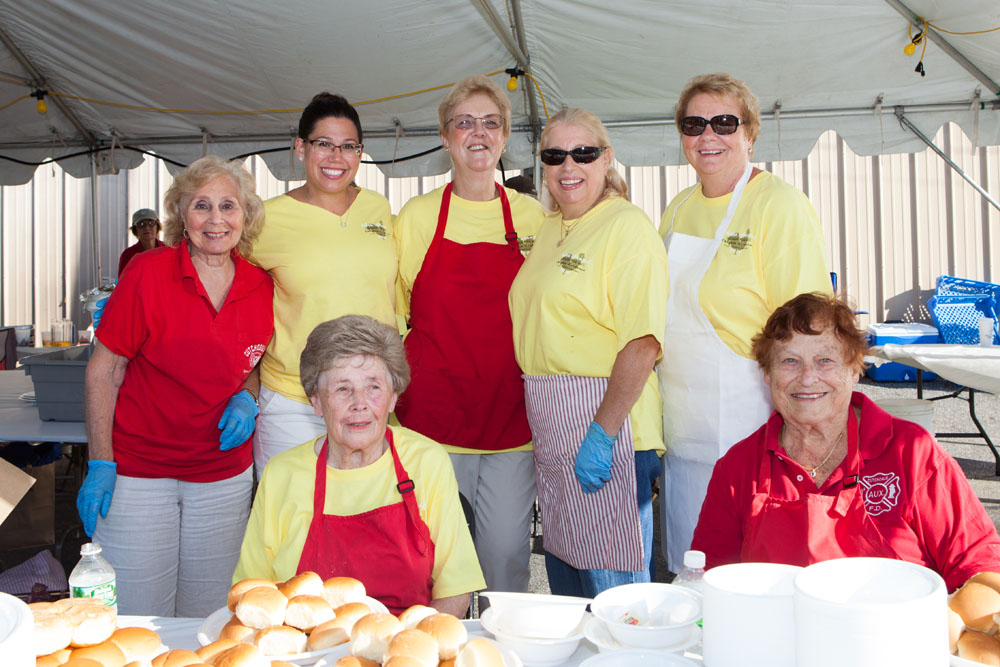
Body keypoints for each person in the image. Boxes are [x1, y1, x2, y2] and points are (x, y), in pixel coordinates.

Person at [691, 292, 1000, 592]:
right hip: (777, 640)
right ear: (767, 375)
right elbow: (710, 581)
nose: (808, 377)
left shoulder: (912, 452)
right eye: (789, 361)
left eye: (825, 360)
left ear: (855, 371)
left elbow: (979, 565)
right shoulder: (738, 467)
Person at [78, 155, 274, 616]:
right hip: (139, 472)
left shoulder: (260, 285)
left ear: (245, 217)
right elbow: (103, 371)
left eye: (228, 206)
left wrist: (247, 396)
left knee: (208, 617)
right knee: (136, 616)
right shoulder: (147, 274)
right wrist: (101, 461)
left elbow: (253, 358)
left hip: (221, 476)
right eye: (201, 206)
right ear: (181, 216)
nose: (216, 219)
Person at [657, 72, 833, 572]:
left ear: (749, 134)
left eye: (724, 122)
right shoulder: (678, 209)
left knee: (753, 568)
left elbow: (810, 323)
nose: (707, 135)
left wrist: (807, 425)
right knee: (693, 566)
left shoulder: (779, 205)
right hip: (683, 425)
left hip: (755, 421)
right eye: (694, 124)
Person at [393, 75, 545, 598]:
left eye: (490, 123)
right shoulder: (416, 217)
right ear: (445, 136)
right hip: (432, 420)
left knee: (504, 557)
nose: (477, 133)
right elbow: (394, 315)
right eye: (465, 123)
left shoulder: (532, 216)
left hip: (509, 416)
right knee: (434, 562)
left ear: (504, 138)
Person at [508, 108, 669, 597]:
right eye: (555, 156)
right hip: (554, 421)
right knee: (571, 591)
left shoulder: (626, 226)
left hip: (608, 424)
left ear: (607, 159)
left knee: (615, 596)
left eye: (584, 153)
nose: (568, 166)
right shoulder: (552, 228)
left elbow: (642, 342)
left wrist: (603, 431)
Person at [233, 315, 485, 616]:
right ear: (316, 402)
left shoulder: (426, 461)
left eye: (374, 387)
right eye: (342, 389)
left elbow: (455, 593)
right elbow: (253, 594)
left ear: (393, 398)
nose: (359, 403)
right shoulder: (282, 475)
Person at [250, 92, 395, 476]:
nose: (337, 157)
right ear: (300, 147)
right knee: (293, 524)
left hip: (369, 401)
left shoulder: (378, 208)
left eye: (348, 146)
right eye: (323, 145)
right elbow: (234, 301)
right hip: (294, 403)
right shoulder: (266, 220)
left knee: (362, 522)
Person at [118, 208, 164, 276]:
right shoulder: (128, 255)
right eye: (141, 224)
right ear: (135, 229)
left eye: (151, 223)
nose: (147, 228)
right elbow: (123, 284)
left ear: (157, 226)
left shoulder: (168, 249)